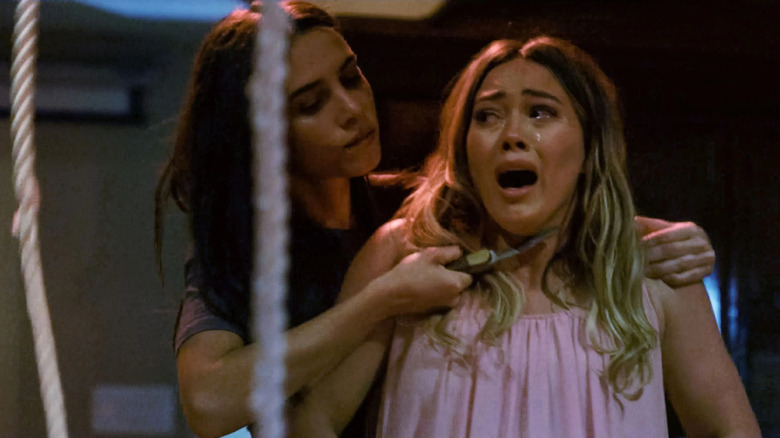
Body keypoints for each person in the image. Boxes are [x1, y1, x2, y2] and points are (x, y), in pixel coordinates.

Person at [153, 2, 717, 437]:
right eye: (310, 104)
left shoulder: (420, 212)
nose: (351, 110)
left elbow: (545, 208)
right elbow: (209, 403)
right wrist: (379, 300)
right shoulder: (243, 252)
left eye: (350, 77)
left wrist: (655, 235)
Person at [287, 36, 760, 437]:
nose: (512, 134)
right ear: (464, 149)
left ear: (589, 147)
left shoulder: (654, 270)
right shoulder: (405, 255)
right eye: (487, 116)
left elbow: (729, 430)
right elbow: (313, 419)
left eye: (540, 113)